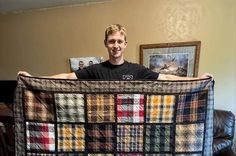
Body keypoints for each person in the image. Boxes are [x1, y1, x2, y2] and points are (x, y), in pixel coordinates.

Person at [19, 24, 212, 81]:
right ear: (106, 43)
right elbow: (68, 76)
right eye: (112, 41)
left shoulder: (137, 71)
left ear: (125, 44)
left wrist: (198, 79)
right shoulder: (95, 70)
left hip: (130, 128)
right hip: (102, 126)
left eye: (120, 41)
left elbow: (168, 78)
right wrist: (33, 78)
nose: (116, 45)